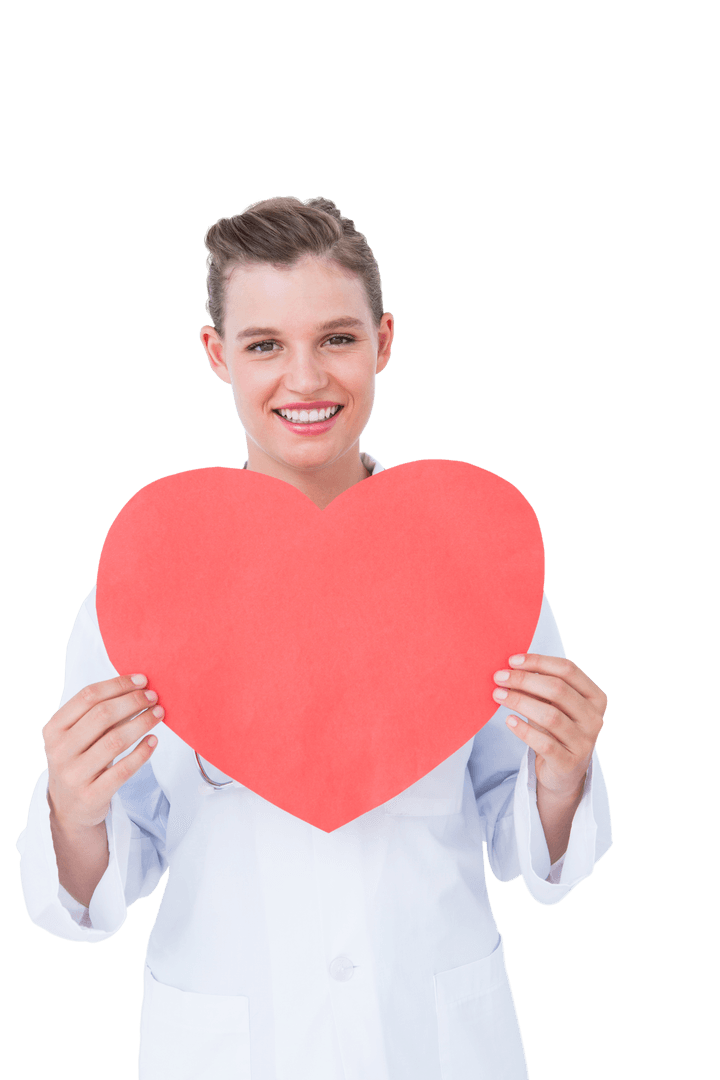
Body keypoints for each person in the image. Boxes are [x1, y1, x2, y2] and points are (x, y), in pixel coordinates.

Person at [16, 196, 612, 1079]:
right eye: (264, 345)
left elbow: (529, 848)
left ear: (385, 342)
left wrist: (563, 774)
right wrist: (71, 803)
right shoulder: (143, 585)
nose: (305, 379)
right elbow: (103, 883)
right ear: (218, 355)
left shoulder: (477, 568)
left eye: (337, 338)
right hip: (233, 1043)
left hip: (433, 1039)